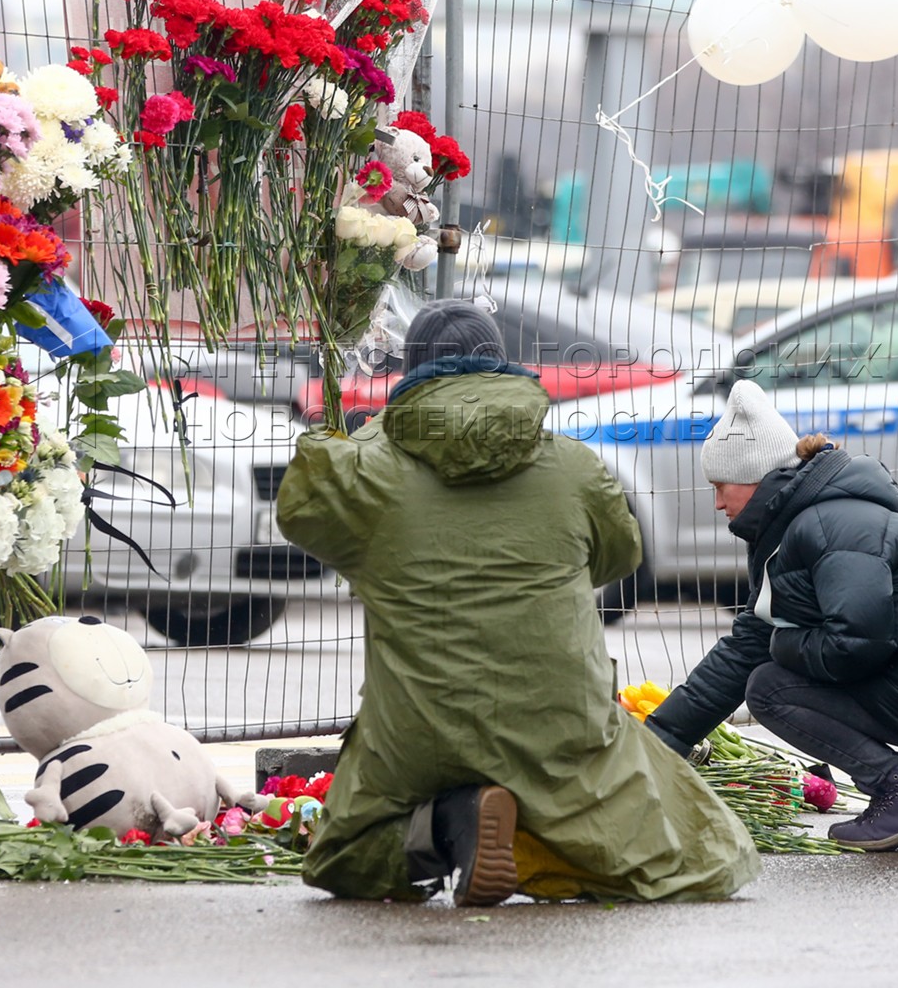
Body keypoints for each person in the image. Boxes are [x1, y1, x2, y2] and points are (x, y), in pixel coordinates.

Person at [277, 299, 760, 905]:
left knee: (343, 859)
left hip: (417, 728)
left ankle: (449, 826)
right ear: (503, 367)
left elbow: (301, 511)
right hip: (563, 721)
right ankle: (532, 834)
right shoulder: (576, 465)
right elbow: (617, 559)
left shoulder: (369, 469)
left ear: (409, 373)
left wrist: (357, 435)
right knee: (684, 845)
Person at [645, 379, 898, 851]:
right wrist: (656, 747)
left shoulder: (827, 524)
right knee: (762, 672)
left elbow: (858, 644)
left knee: (771, 686)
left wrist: (782, 642)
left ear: (755, 478)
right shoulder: (797, 524)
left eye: (721, 487)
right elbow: (745, 648)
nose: (718, 502)